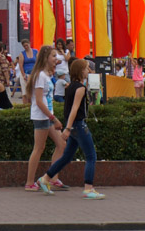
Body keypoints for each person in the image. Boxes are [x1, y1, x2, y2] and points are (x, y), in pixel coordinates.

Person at [38, 57, 105, 198]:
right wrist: (67, 129)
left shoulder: (70, 87)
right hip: (78, 125)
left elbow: (70, 108)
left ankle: (45, 178)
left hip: (74, 126)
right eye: (86, 68)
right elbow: (74, 109)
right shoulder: (80, 88)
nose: (88, 70)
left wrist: (69, 127)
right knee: (91, 156)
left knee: (67, 157)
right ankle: (88, 188)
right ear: (80, 71)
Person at [24, 45, 66, 191]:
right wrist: (53, 118)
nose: (56, 59)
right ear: (46, 58)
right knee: (39, 148)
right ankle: (30, 182)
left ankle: (53, 178)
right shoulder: (40, 76)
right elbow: (39, 101)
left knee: (61, 144)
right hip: (42, 116)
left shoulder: (46, 75)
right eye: (53, 56)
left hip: (47, 115)